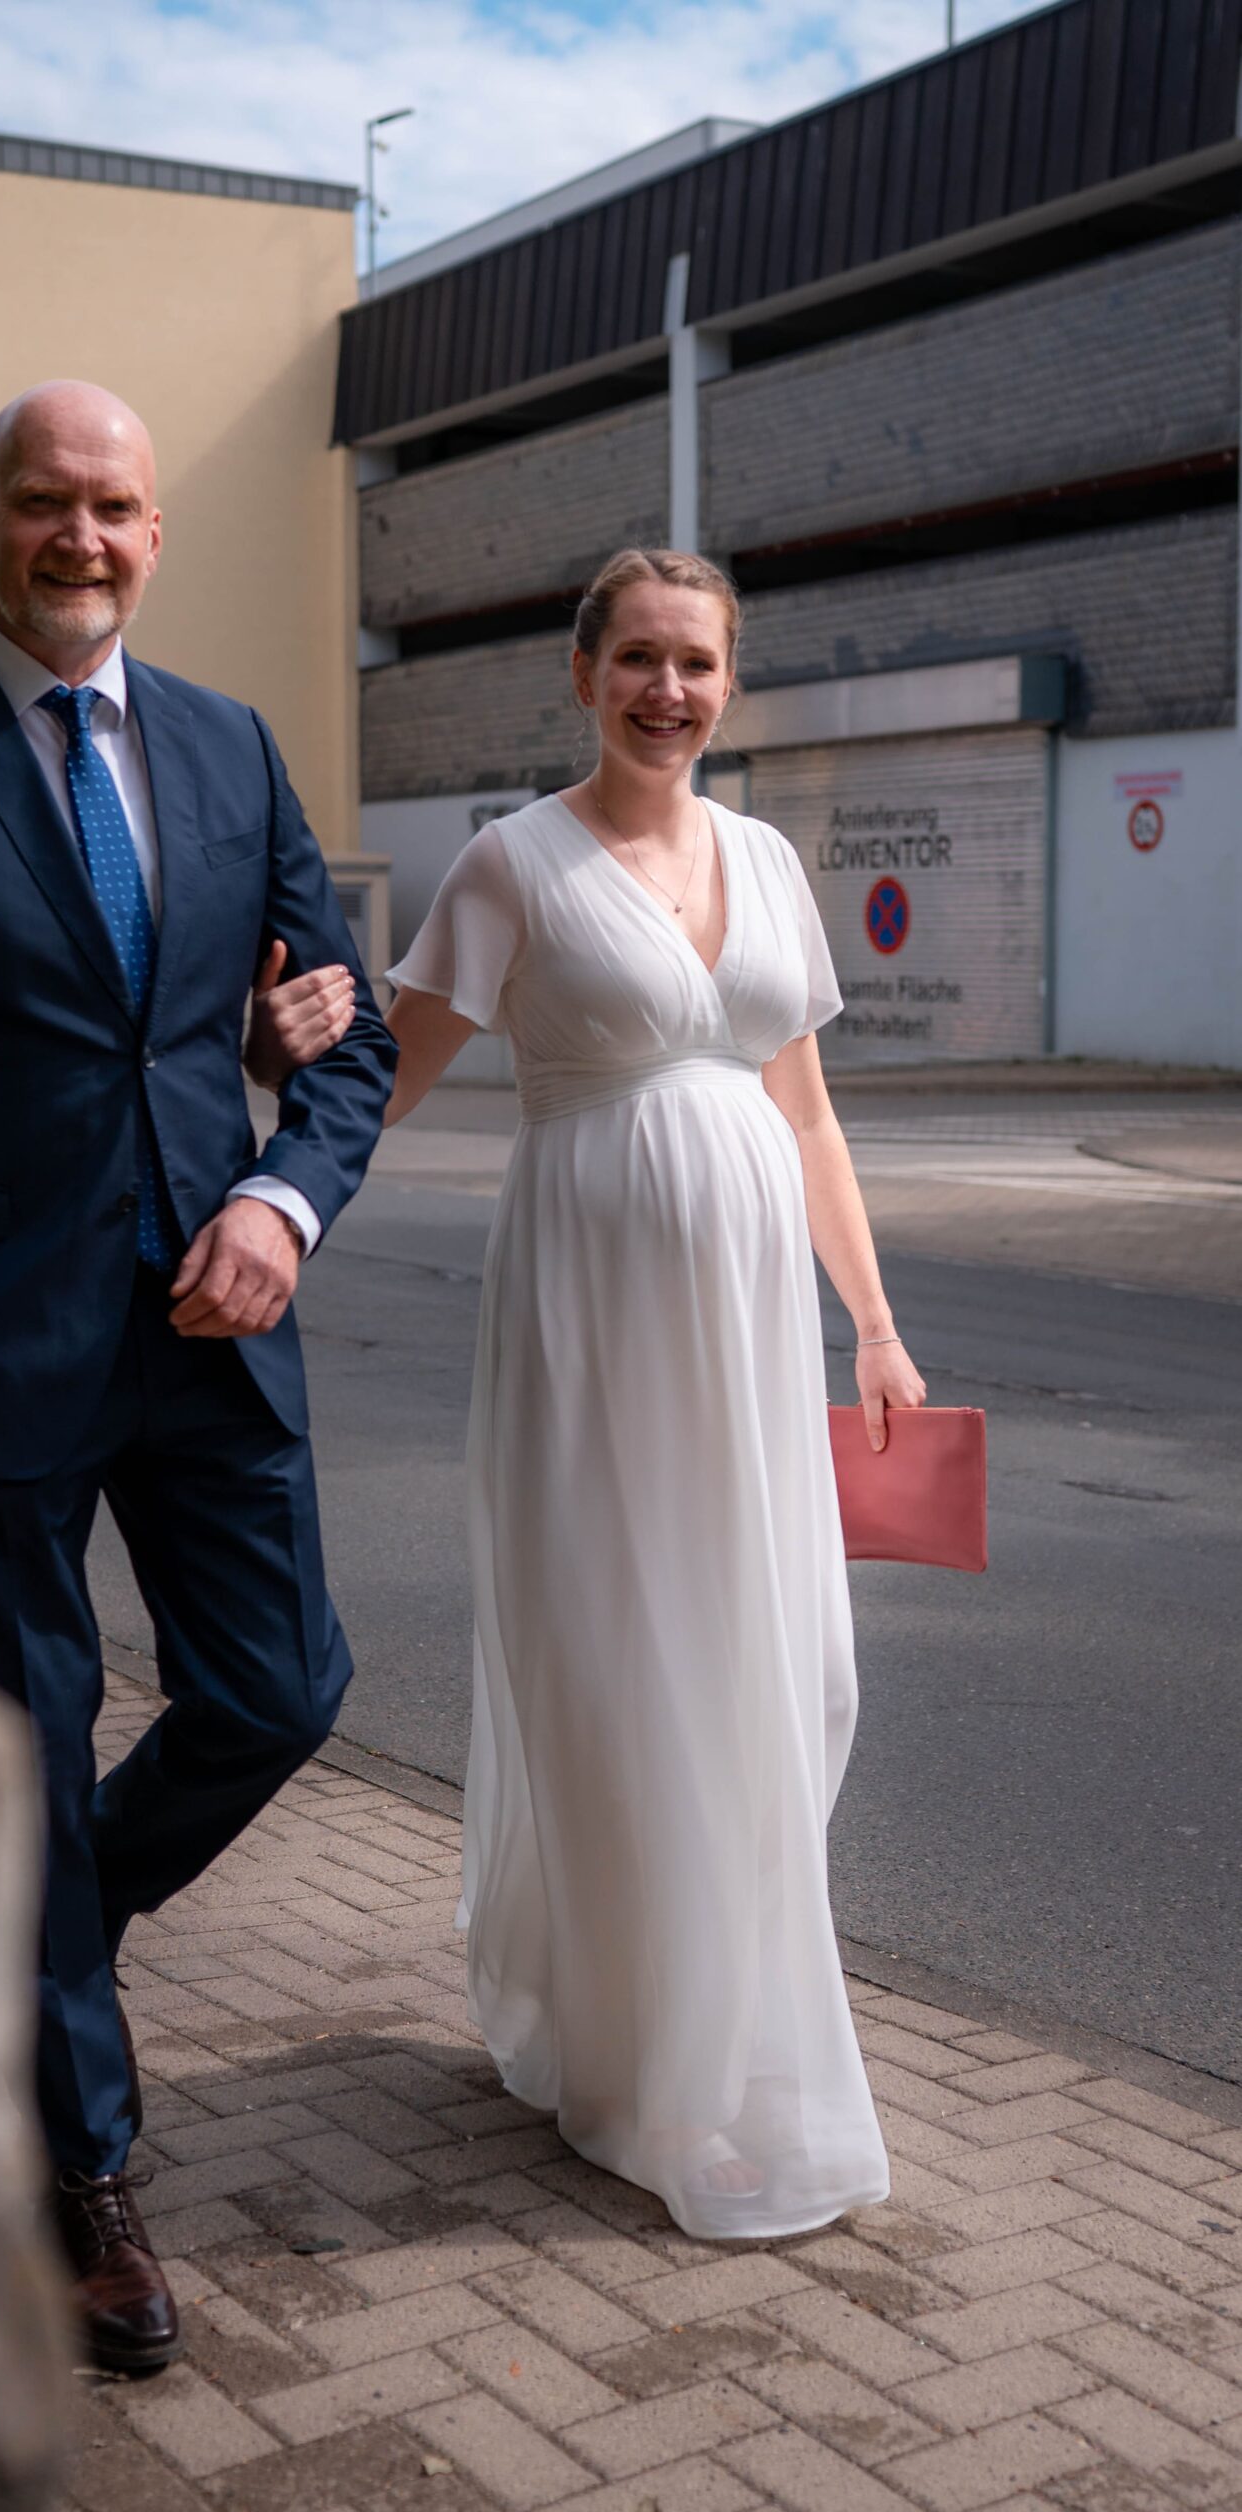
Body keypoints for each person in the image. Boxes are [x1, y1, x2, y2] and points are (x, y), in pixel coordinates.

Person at [0, 381, 394, 2366]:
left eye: (115, 506)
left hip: (211, 1328)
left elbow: (348, 1038)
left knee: (279, 1689)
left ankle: (41, 1930)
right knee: (22, 1744)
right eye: (46, 503)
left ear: (154, 529)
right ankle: (86, 2168)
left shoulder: (231, 747)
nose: (84, 538)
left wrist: (284, 1196)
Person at [373, 548, 926, 2238]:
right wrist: (249, 1187)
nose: (666, 691)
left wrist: (875, 1326)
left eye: (695, 663)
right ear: (583, 673)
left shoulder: (768, 861)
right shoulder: (511, 864)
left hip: (750, 1342)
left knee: (788, 1671)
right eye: (637, 660)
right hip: (589, 1331)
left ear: (728, 682)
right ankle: (655, 2079)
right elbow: (379, 1079)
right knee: (629, 1677)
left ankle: (707, 2018)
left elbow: (805, 1112)